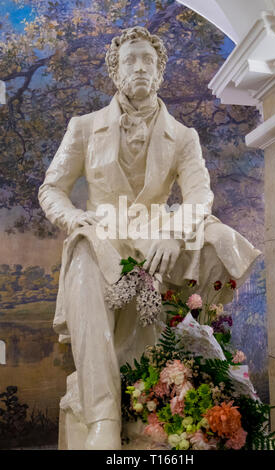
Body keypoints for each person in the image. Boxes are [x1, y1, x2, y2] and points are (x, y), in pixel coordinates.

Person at [38, 26, 261, 450]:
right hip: (103, 232)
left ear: (160, 71)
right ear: (115, 70)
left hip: (158, 233)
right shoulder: (84, 128)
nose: (139, 67)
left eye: (148, 61)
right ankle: (103, 414)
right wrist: (75, 219)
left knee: (217, 238)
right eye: (130, 60)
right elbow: (52, 188)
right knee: (84, 256)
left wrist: (175, 234)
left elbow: (199, 196)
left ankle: (162, 382)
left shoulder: (183, 136)